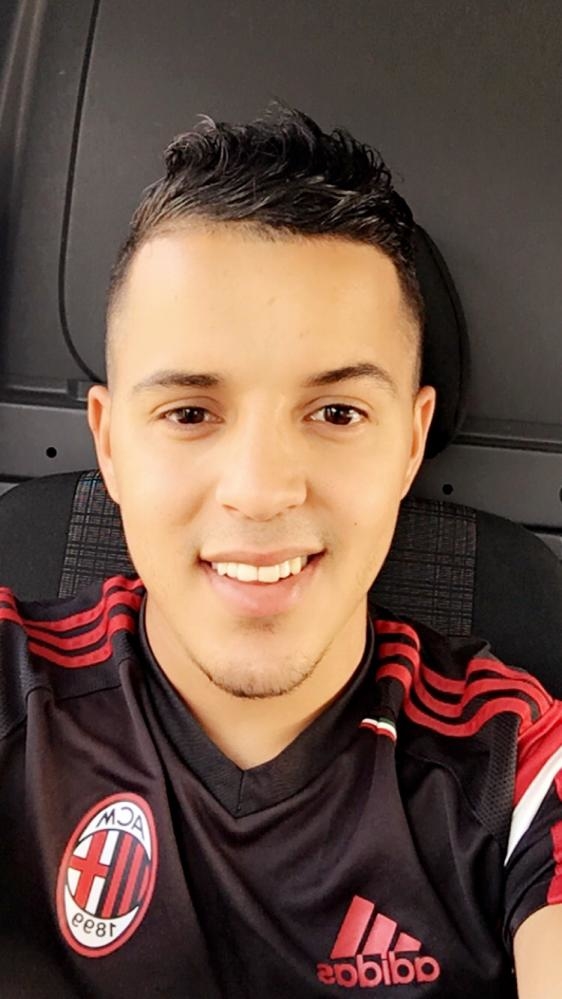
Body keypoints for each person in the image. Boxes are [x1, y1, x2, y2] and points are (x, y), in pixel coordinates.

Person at [0, 101, 560, 998]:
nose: (261, 491)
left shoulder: (516, 762)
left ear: (411, 443)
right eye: (190, 412)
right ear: (109, 444)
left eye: (337, 412)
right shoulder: (13, 686)